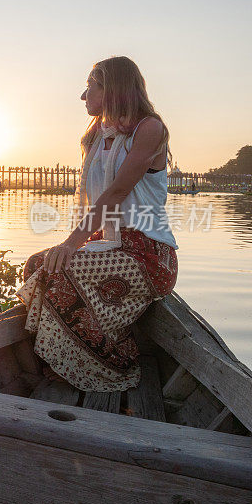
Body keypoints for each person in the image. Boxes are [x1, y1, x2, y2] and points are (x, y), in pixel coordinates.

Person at [17, 56, 178, 392]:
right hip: (109, 244)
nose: (83, 96)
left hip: (147, 253)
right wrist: (74, 243)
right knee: (35, 264)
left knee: (56, 270)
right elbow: (97, 200)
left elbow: (118, 191)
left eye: (90, 86)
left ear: (113, 88)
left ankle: (118, 363)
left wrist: (71, 243)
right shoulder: (94, 135)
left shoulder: (149, 128)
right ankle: (77, 356)